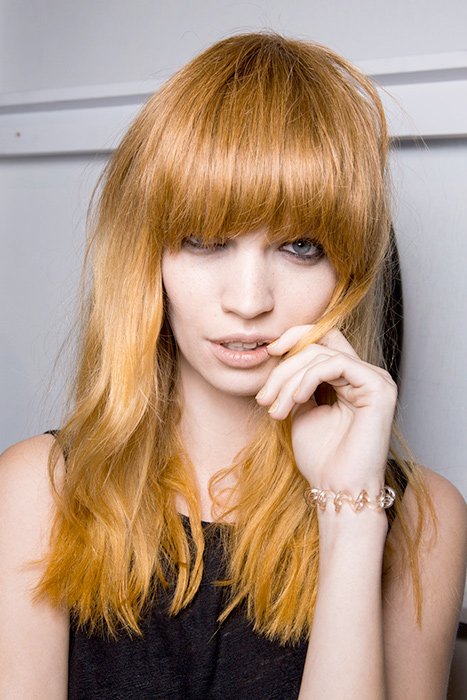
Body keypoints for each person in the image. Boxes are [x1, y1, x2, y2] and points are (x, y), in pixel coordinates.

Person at [1, 32, 466, 700]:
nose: (249, 301)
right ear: (148, 256)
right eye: (204, 240)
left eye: (300, 246)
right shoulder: (38, 489)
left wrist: (350, 515)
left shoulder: (422, 519)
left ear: (349, 270)